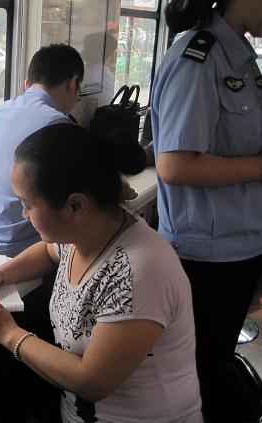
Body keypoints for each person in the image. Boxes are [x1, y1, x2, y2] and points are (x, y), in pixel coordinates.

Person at [0, 123, 203, 423]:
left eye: (28, 204)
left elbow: (92, 382)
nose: (24, 213)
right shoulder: (83, 235)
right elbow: (48, 252)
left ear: (75, 205)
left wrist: (7, 332)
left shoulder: (141, 271)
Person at [151, 1, 262, 421]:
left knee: (214, 360)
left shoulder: (242, 58)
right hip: (206, 256)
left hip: (241, 243)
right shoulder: (197, 58)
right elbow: (175, 165)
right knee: (198, 369)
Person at [0, 44, 85, 258]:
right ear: (72, 83)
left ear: (27, 83)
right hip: (23, 252)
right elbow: (81, 192)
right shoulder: (57, 123)